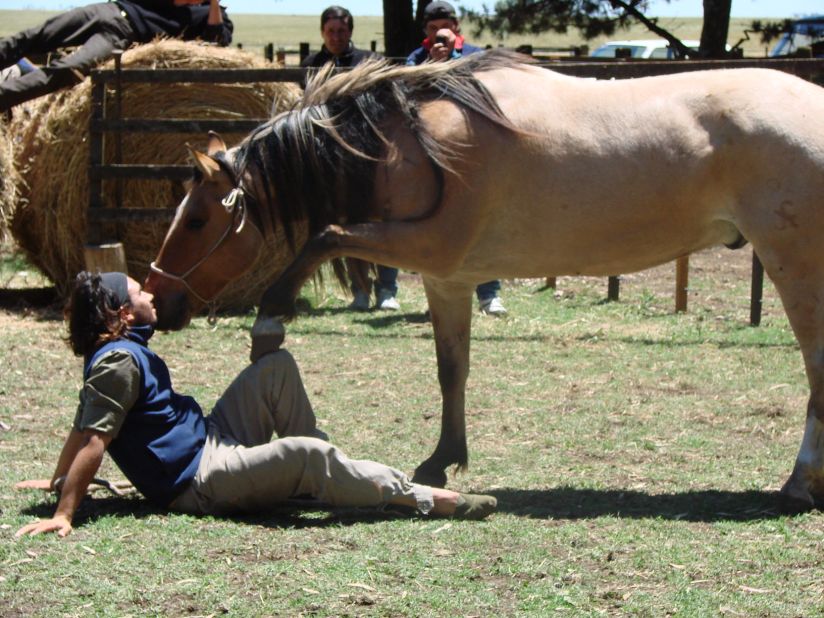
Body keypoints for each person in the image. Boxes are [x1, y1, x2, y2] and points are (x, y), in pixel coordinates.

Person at [14, 272, 495, 538]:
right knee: (307, 453)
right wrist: (64, 511)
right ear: (123, 314)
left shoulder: (121, 352)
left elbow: (81, 428)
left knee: (275, 367)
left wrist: (58, 478)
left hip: (210, 438)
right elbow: (93, 438)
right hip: (199, 480)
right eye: (140, 292)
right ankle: (423, 498)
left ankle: (330, 481)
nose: (150, 292)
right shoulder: (117, 362)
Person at [383, 0, 506, 317]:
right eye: (433, 28)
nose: (440, 33)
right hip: (430, 152)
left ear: (456, 27)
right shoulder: (416, 58)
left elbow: (486, 94)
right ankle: (439, 296)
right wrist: (432, 66)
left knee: (479, 223)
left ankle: (489, 294)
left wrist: (450, 63)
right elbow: (407, 97)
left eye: (445, 27)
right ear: (425, 31)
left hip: (473, 150)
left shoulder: (475, 56)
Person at [0, 0, 232, 113]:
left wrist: (212, 4)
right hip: (108, 10)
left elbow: (215, 43)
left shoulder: (215, 15)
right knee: (34, 36)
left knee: (68, 70)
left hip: (122, 35)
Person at [300, 5, 375, 69]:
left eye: (341, 31)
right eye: (331, 31)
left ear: (350, 32)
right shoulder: (310, 65)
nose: (336, 38)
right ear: (322, 33)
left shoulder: (369, 62)